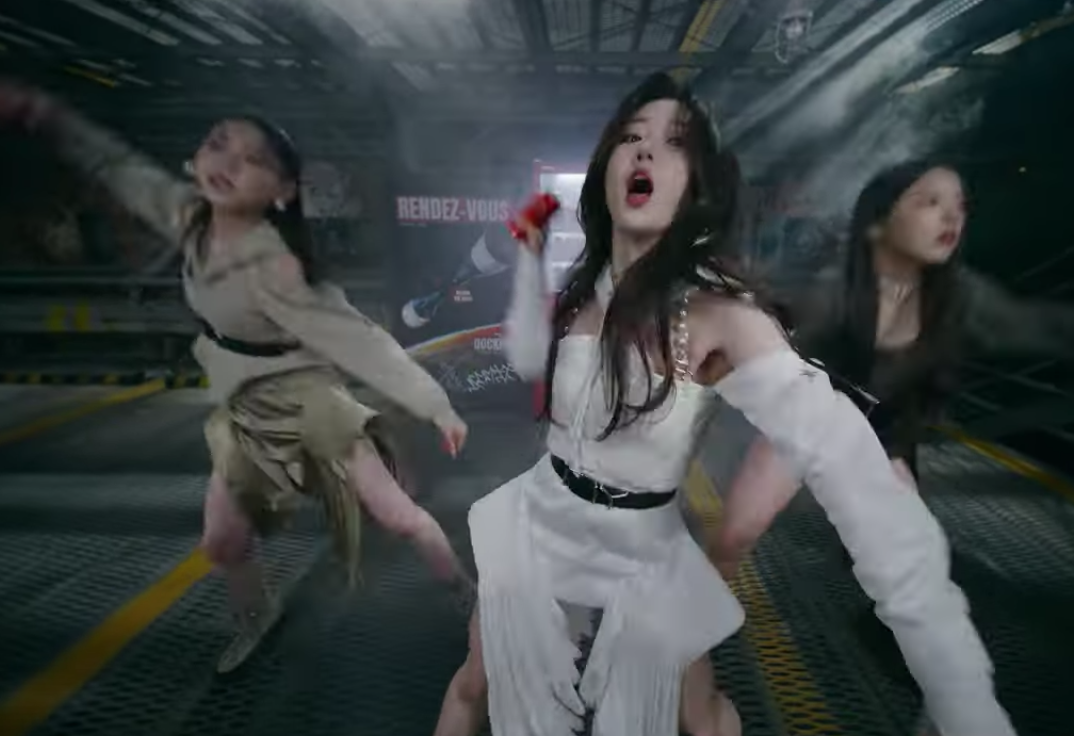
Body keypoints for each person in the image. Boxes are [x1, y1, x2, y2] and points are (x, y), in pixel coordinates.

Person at [432, 74, 1016, 736]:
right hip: (543, 517)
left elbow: (861, 487)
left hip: (641, 547)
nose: (645, 151)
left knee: (700, 715)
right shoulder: (584, 287)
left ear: (698, 186)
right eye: (631, 137)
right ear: (605, 170)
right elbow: (530, 361)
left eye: (674, 144)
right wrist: (527, 264)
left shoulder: (719, 313)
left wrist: (966, 700)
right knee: (474, 683)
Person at [0, 80, 473, 674]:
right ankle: (256, 615)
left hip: (310, 401)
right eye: (218, 145)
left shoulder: (276, 267)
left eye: (252, 160)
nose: (228, 164)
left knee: (398, 517)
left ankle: (466, 593)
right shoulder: (188, 219)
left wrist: (436, 405)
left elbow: (361, 339)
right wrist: (44, 113)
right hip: (244, 411)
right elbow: (117, 166)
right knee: (222, 542)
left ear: (283, 191)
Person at [708, 158, 1074, 577]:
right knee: (734, 537)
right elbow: (766, 332)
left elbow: (1067, 330)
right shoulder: (835, 291)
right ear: (879, 221)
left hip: (884, 443)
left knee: (909, 561)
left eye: (960, 205)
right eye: (930, 202)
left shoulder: (964, 301)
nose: (952, 216)